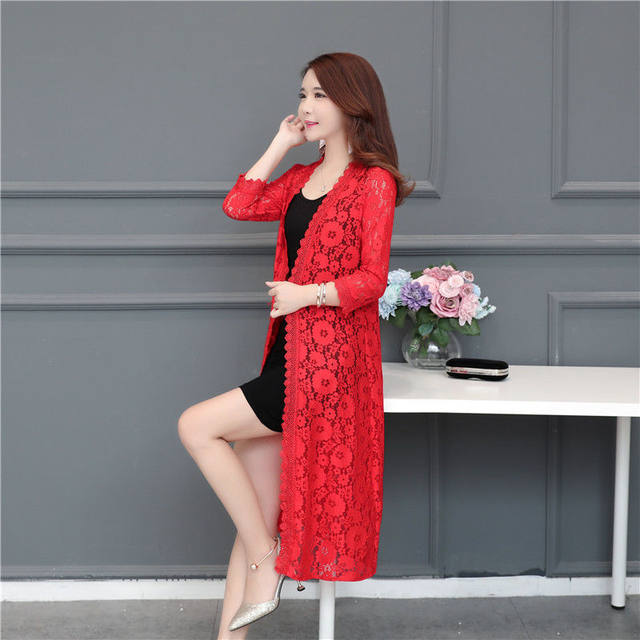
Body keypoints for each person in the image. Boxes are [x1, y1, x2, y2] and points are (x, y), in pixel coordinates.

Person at [178, 52, 415, 638]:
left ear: (352, 104)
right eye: (303, 94)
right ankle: (245, 602)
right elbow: (239, 205)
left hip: (326, 370)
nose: (306, 107)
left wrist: (308, 293)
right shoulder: (300, 179)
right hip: (287, 357)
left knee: (197, 426)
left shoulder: (373, 182)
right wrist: (281, 144)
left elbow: (372, 279)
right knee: (253, 518)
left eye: (319, 96)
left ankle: (267, 559)